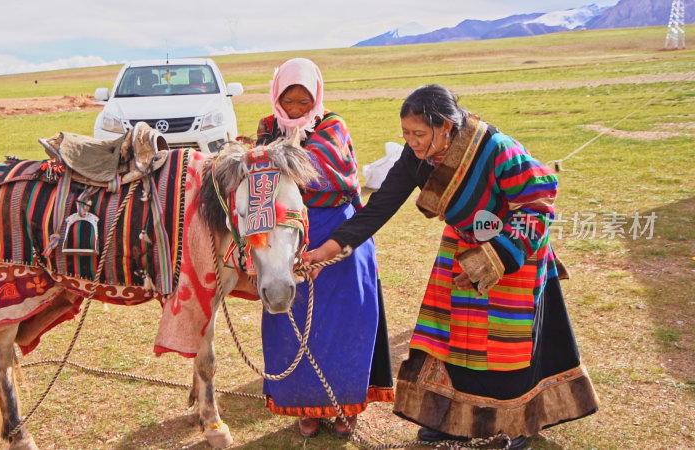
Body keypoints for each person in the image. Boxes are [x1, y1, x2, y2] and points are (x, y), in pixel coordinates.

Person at [305, 85, 599, 449]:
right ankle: (452, 418)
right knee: (452, 338)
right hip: (463, 247)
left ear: (446, 126)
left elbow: (538, 203)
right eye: (406, 134)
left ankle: (514, 422)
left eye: (419, 133)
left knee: (505, 347)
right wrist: (326, 251)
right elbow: (379, 208)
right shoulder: (417, 159)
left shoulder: (496, 148)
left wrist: (498, 257)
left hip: (513, 254)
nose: (411, 142)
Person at [256, 58, 393, 439]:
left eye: (304, 101)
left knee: (345, 323)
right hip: (287, 235)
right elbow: (261, 182)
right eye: (289, 101)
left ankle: (345, 409)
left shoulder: (332, 125)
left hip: (338, 233)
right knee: (292, 321)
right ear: (277, 96)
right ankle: (304, 405)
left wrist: (277, 159)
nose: (296, 109)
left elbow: (330, 170)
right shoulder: (267, 127)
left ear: (316, 97)